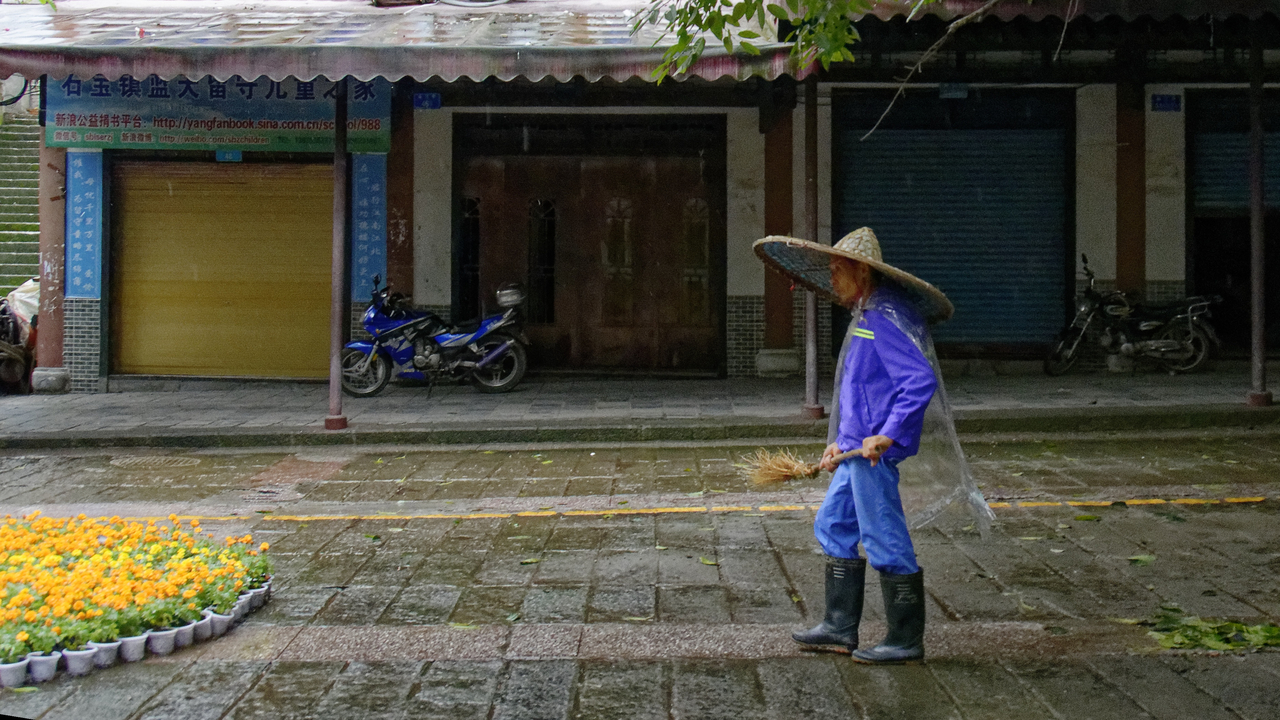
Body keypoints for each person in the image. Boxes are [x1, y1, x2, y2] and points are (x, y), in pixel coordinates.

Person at [752, 227, 955, 664]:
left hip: (872, 455)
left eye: (837, 270)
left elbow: (917, 381)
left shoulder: (883, 317)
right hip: (854, 451)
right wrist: (838, 443)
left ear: (861, 272)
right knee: (832, 525)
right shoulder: (865, 313)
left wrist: (890, 432)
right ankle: (840, 626)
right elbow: (860, 390)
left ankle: (904, 639)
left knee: (883, 537)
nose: (832, 280)